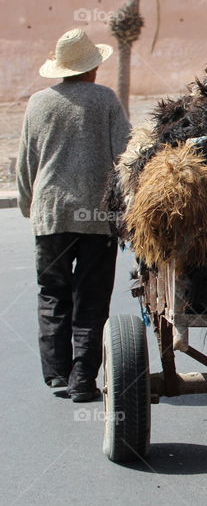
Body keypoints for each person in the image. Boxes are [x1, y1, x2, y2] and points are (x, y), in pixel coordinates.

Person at [17, 28, 130, 402]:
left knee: (53, 294)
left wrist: (27, 206)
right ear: (93, 69)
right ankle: (84, 379)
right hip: (97, 217)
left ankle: (57, 376)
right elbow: (125, 156)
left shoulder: (37, 103)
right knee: (92, 297)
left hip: (51, 215)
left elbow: (26, 164)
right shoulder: (105, 101)